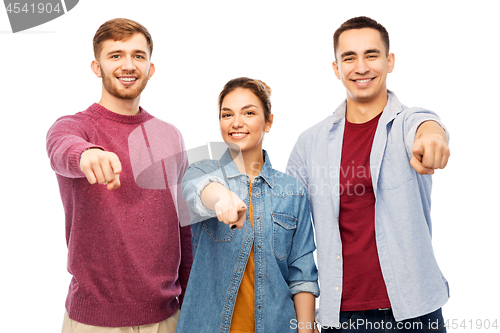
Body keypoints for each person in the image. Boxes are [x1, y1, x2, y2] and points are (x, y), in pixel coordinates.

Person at [287, 16, 450, 332]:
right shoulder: (311, 142)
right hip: (341, 317)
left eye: (371, 55)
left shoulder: (408, 122)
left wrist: (433, 139)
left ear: (389, 62)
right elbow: (290, 232)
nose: (361, 67)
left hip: (416, 312)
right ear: (336, 69)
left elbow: (427, 126)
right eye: (349, 57)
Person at [46, 18, 193, 333]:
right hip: (93, 322)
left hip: (166, 319)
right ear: (96, 67)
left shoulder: (170, 136)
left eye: (138, 56)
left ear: (151, 68)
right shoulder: (74, 127)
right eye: (116, 55)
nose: (128, 65)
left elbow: (184, 229)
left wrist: (192, 305)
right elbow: (61, 148)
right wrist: (87, 155)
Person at [175, 77, 319, 333]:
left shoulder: (292, 191)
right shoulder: (201, 169)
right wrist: (222, 198)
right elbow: (198, 191)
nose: (236, 122)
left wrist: (306, 329)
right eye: (227, 114)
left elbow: (302, 275)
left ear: (269, 122)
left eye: (249, 113)